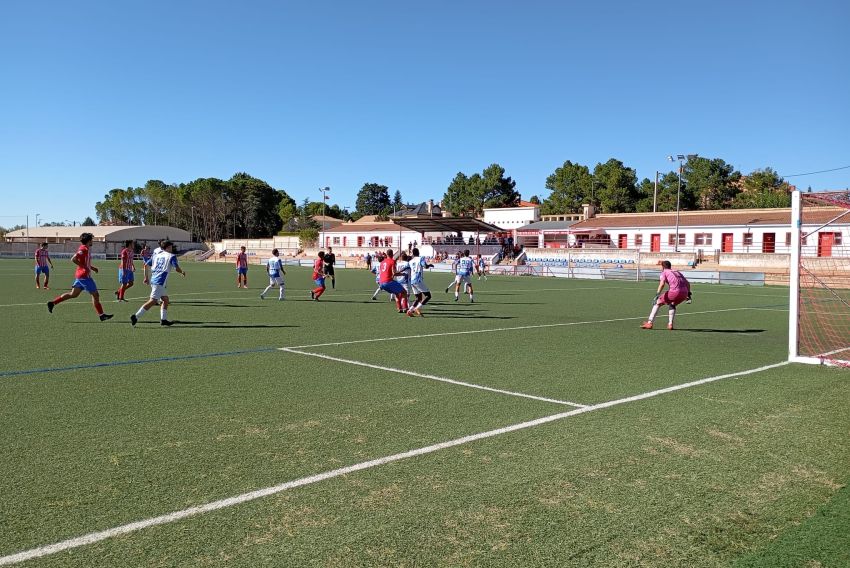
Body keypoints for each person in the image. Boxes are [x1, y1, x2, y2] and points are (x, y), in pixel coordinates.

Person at [47, 232, 113, 321]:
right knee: (95, 295)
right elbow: (73, 259)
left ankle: (53, 303)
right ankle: (101, 315)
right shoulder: (84, 248)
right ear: (89, 240)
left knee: (73, 294)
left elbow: (84, 262)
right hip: (84, 277)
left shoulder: (86, 249)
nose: (92, 241)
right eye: (91, 240)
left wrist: (92, 268)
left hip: (81, 276)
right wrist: (85, 267)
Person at [130, 240, 186, 327]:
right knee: (153, 301)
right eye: (171, 246)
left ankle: (163, 320)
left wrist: (147, 277)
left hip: (154, 279)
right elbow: (176, 268)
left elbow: (147, 264)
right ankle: (136, 316)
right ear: (167, 247)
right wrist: (182, 272)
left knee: (165, 300)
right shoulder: (171, 256)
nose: (172, 248)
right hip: (160, 281)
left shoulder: (157, 255)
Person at [641, 260, 691, 330]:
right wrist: (688, 294)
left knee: (657, 303)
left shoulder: (664, 272)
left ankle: (649, 323)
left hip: (674, 292)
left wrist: (657, 294)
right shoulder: (677, 272)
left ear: (663, 267)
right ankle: (670, 324)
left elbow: (662, 284)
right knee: (672, 304)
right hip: (684, 293)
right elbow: (687, 283)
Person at [378, 249, 408, 313]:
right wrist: (403, 274)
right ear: (392, 254)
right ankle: (405, 308)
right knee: (404, 292)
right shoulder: (392, 261)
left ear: (387, 254)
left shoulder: (382, 262)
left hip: (381, 283)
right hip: (388, 281)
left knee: (396, 293)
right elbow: (394, 273)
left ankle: (399, 308)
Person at [407, 247, 434, 317]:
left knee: (418, 298)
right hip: (417, 280)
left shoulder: (410, 261)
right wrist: (429, 265)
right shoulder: (420, 258)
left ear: (413, 254)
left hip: (412, 281)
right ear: (418, 253)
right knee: (428, 296)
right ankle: (417, 308)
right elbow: (425, 266)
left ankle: (410, 310)